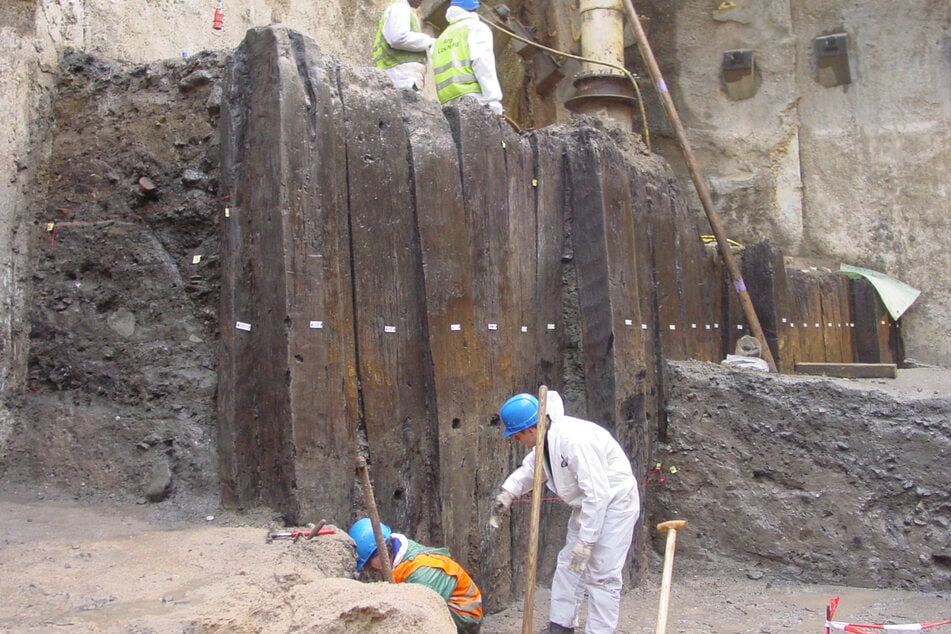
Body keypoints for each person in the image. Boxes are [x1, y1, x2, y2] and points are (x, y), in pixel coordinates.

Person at [492, 390, 640, 634]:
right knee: (570, 565)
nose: (517, 441)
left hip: (614, 505)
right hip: (588, 507)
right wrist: (508, 492)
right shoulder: (546, 440)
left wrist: (587, 539)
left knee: (603, 574)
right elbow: (530, 469)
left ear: (529, 429)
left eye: (517, 436)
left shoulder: (573, 440)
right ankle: (561, 626)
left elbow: (597, 493)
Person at [348, 517, 483, 633]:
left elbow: (421, 615)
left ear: (381, 552)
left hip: (465, 620)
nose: (367, 568)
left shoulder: (422, 573)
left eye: (367, 563)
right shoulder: (398, 555)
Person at [431, 0, 503, 115]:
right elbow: (482, 62)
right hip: (473, 99)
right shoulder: (476, 28)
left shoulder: (440, 39)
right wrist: (493, 100)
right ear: (475, 9)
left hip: (447, 103)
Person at [372, 0, 436, 91]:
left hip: (400, 76)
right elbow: (398, 38)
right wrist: (429, 42)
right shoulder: (400, 7)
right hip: (400, 77)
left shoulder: (404, 9)